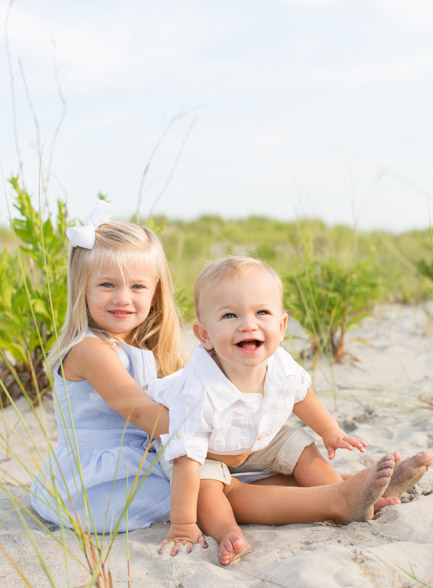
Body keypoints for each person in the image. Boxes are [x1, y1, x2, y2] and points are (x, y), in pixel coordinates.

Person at [149, 256, 432, 565]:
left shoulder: (279, 363)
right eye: (230, 315)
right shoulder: (197, 389)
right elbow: (187, 460)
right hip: (200, 452)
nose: (248, 324)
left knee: (298, 443)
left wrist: (329, 431)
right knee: (206, 489)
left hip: (252, 435)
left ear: (281, 325)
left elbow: (300, 395)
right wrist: (182, 526)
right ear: (205, 335)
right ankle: (229, 530)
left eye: (262, 312)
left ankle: (348, 492)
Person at [30, 200, 185, 531]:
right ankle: (322, 500)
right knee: (210, 492)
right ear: (82, 289)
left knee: (227, 478)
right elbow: (144, 414)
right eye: (107, 285)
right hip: (93, 485)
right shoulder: (90, 350)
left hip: (136, 460)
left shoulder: (141, 346)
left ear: (156, 293)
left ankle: (316, 492)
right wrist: (208, 435)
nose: (123, 298)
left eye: (137, 286)